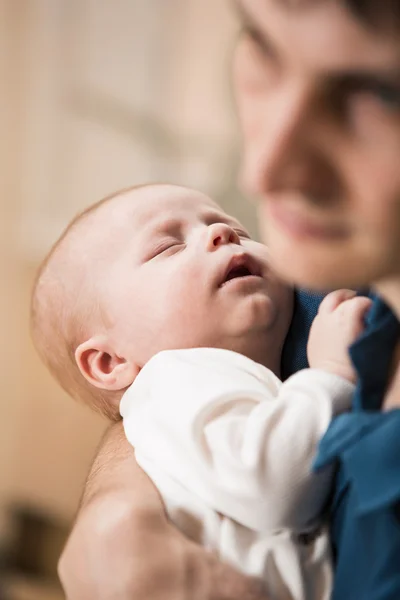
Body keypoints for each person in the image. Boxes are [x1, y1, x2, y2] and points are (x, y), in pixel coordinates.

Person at [58, 0, 400, 598]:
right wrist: (116, 512)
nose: (261, 172)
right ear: (110, 361)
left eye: (378, 92)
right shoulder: (298, 296)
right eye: (263, 46)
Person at [31, 184, 371, 599]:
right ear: (110, 362)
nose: (221, 234)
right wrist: (333, 373)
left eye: (236, 229)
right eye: (167, 248)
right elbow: (273, 486)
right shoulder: (175, 380)